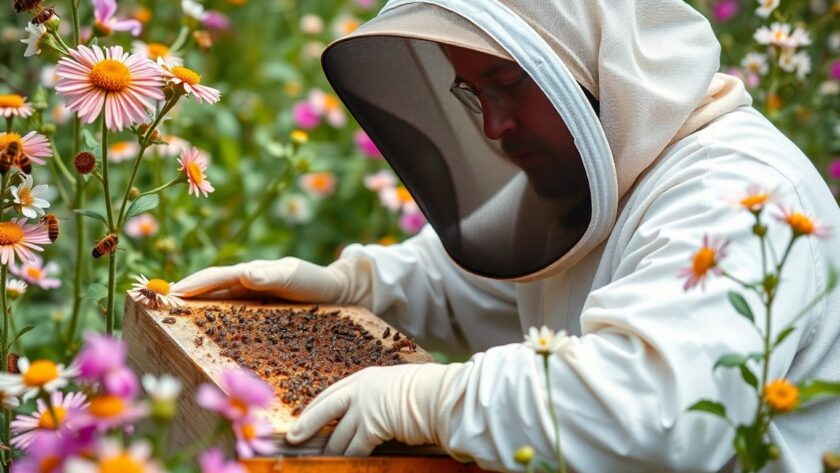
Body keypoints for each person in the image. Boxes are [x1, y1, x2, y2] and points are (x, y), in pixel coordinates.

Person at [173, 1, 840, 471]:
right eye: (472, 93)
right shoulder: (603, 179)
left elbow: (657, 413)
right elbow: (493, 279)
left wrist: (428, 398)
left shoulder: (736, 194)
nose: (492, 126)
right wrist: (364, 285)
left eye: (508, 85)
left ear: (588, 61)